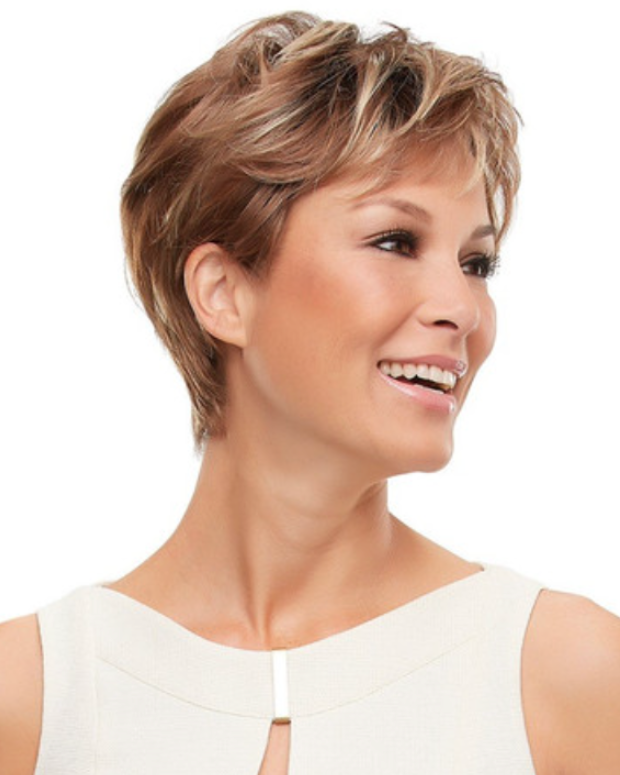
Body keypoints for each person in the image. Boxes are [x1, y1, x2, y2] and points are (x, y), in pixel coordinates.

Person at [1, 11, 619, 775]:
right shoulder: (33, 700)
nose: (462, 308)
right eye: (396, 241)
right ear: (223, 292)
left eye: (476, 263)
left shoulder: (568, 677)